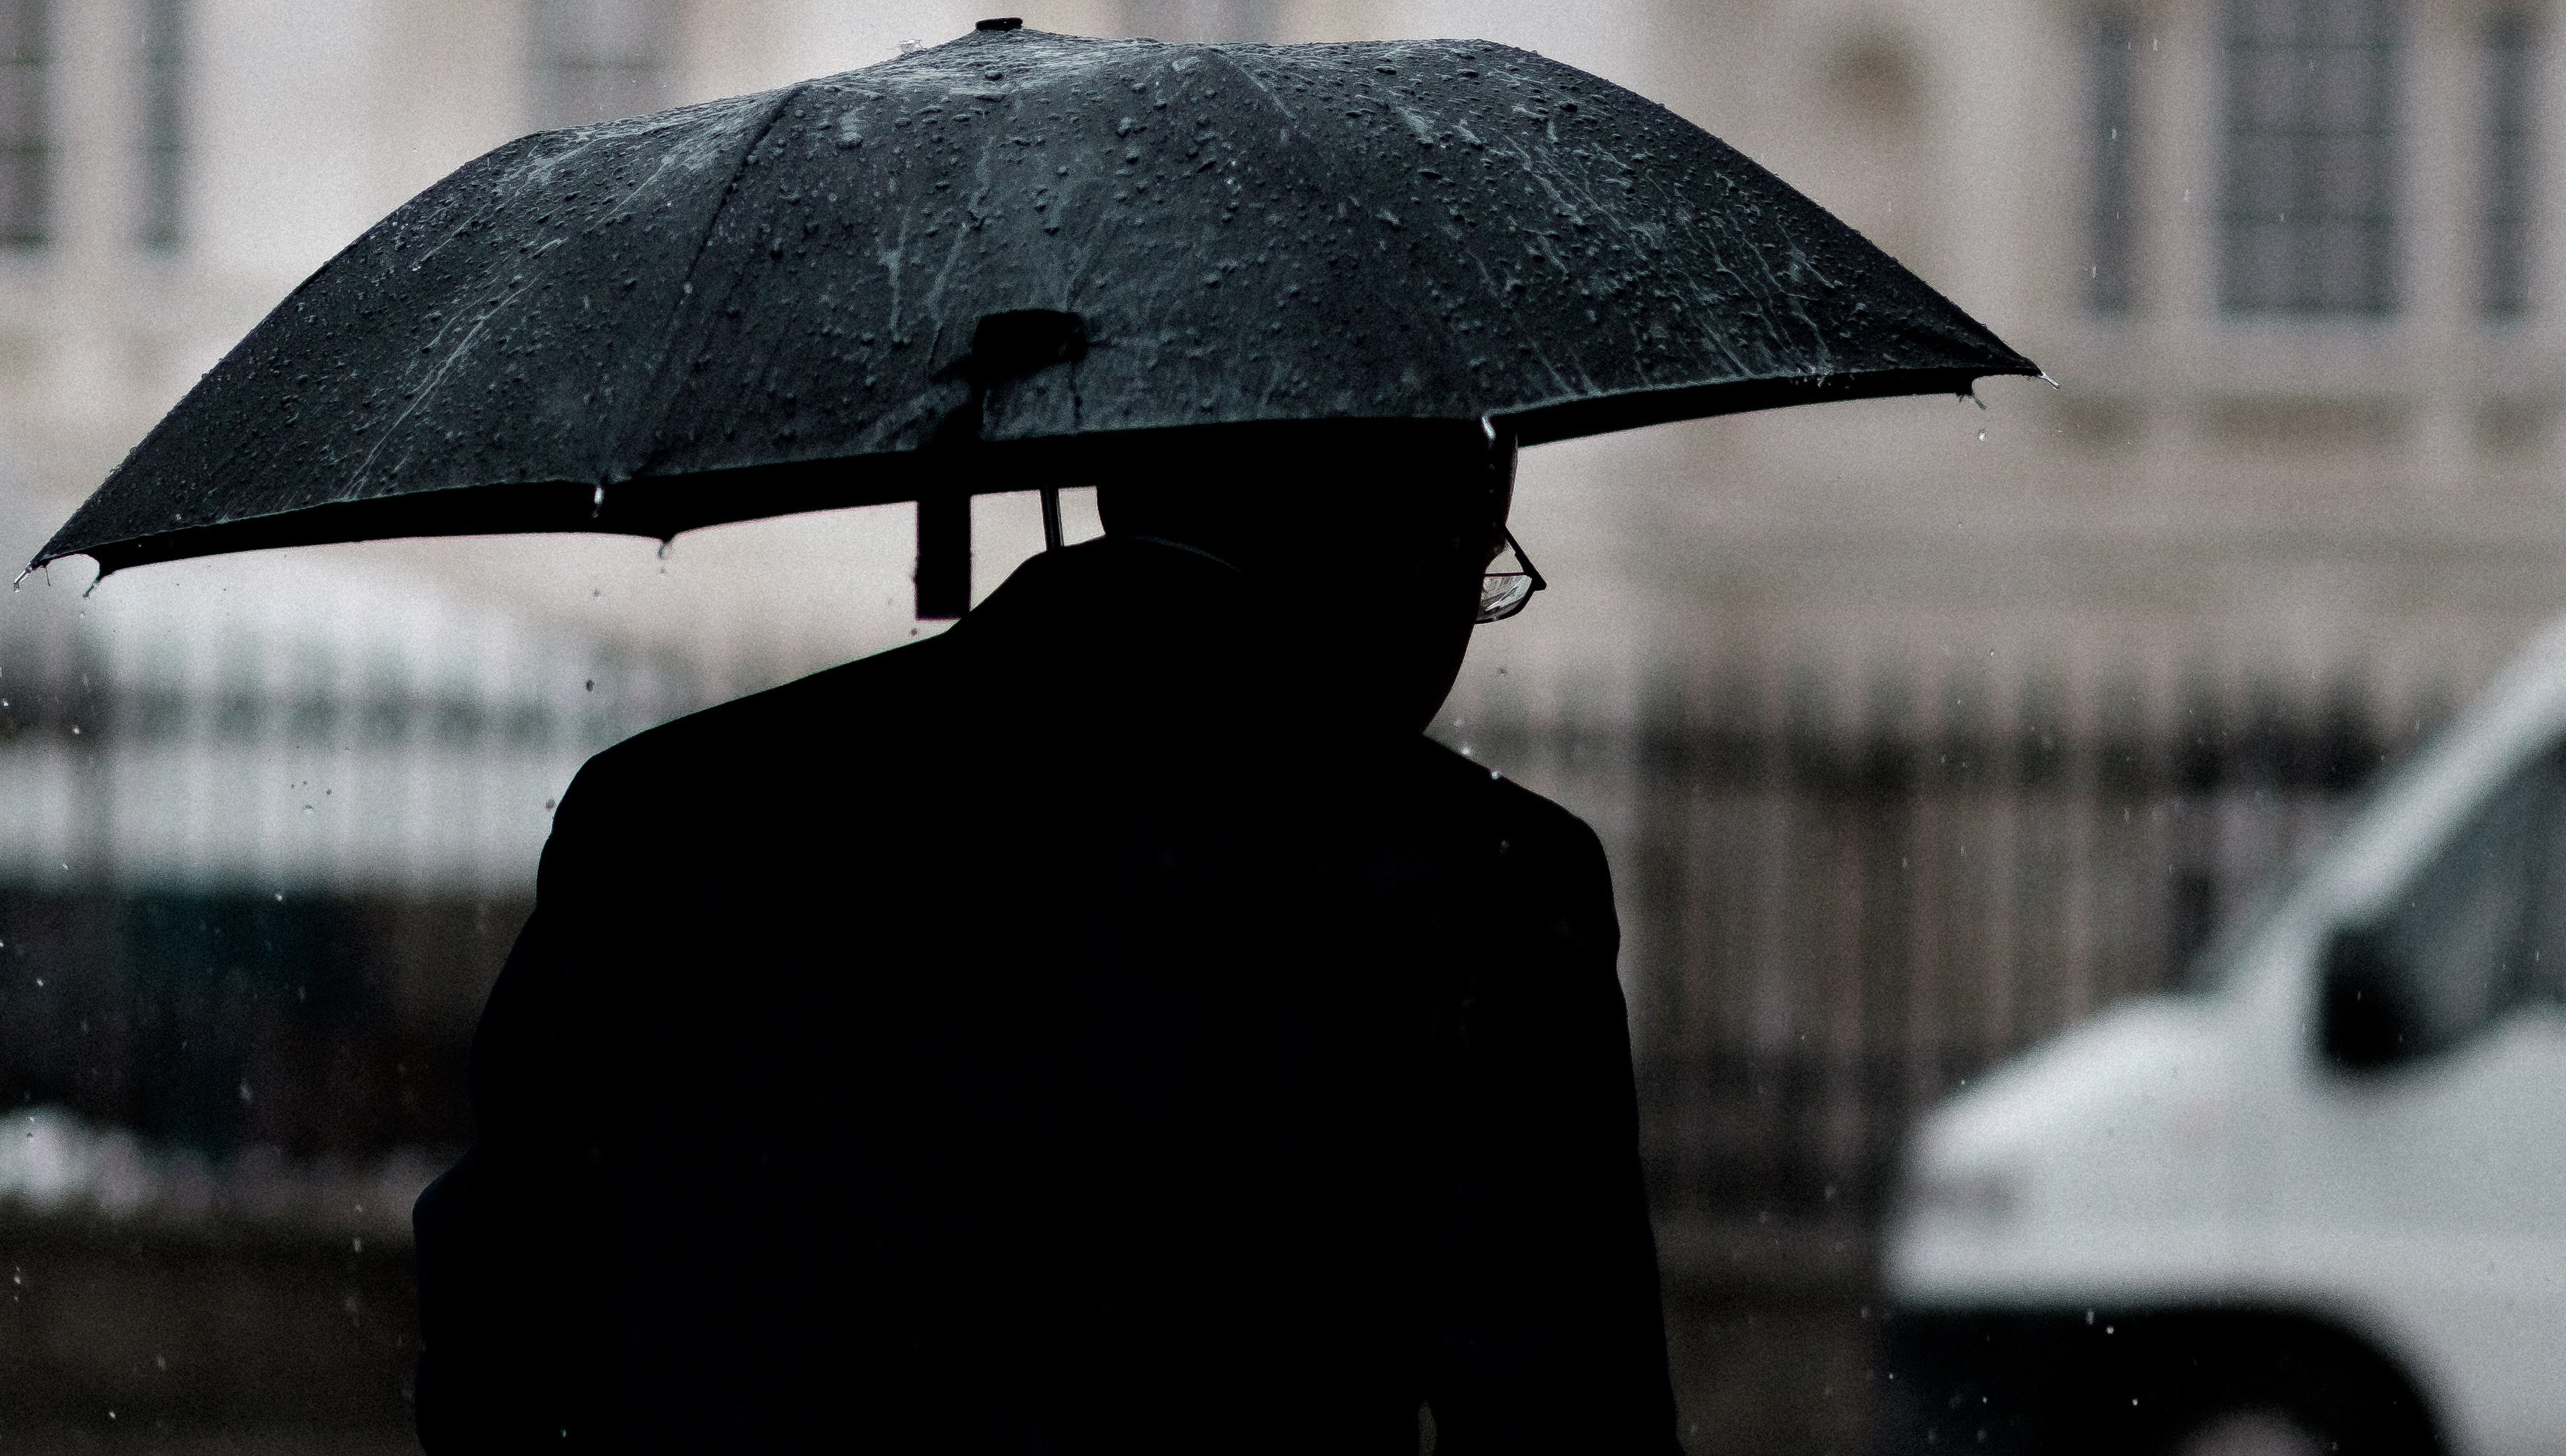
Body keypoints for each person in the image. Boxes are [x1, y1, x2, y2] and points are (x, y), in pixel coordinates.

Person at [412, 421, 1684, 1454]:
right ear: (1429, 542)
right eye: (1487, 572)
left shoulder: (675, 815)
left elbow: (497, 1356)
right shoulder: (1474, 882)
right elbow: (1566, 1425)